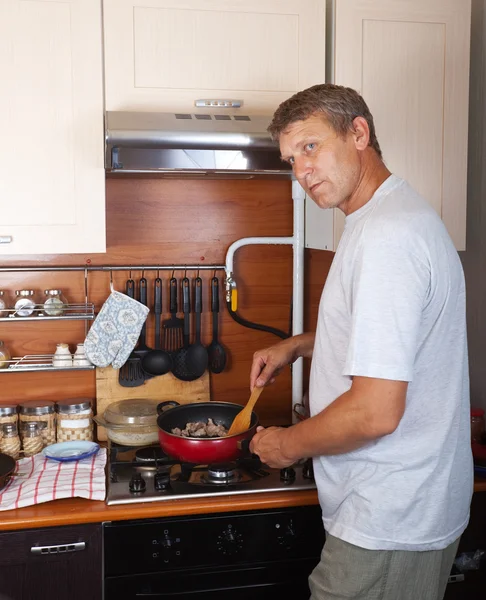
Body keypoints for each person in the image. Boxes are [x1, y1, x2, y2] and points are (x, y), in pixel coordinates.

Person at [249, 83, 473, 600]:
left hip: (391, 516)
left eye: (310, 147)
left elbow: (374, 412)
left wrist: (284, 446)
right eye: (290, 159)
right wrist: (304, 344)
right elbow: (393, 336)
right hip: (392, 508)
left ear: (358, 133)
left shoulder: (387, 238)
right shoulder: (382, 217)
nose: (301, 172)